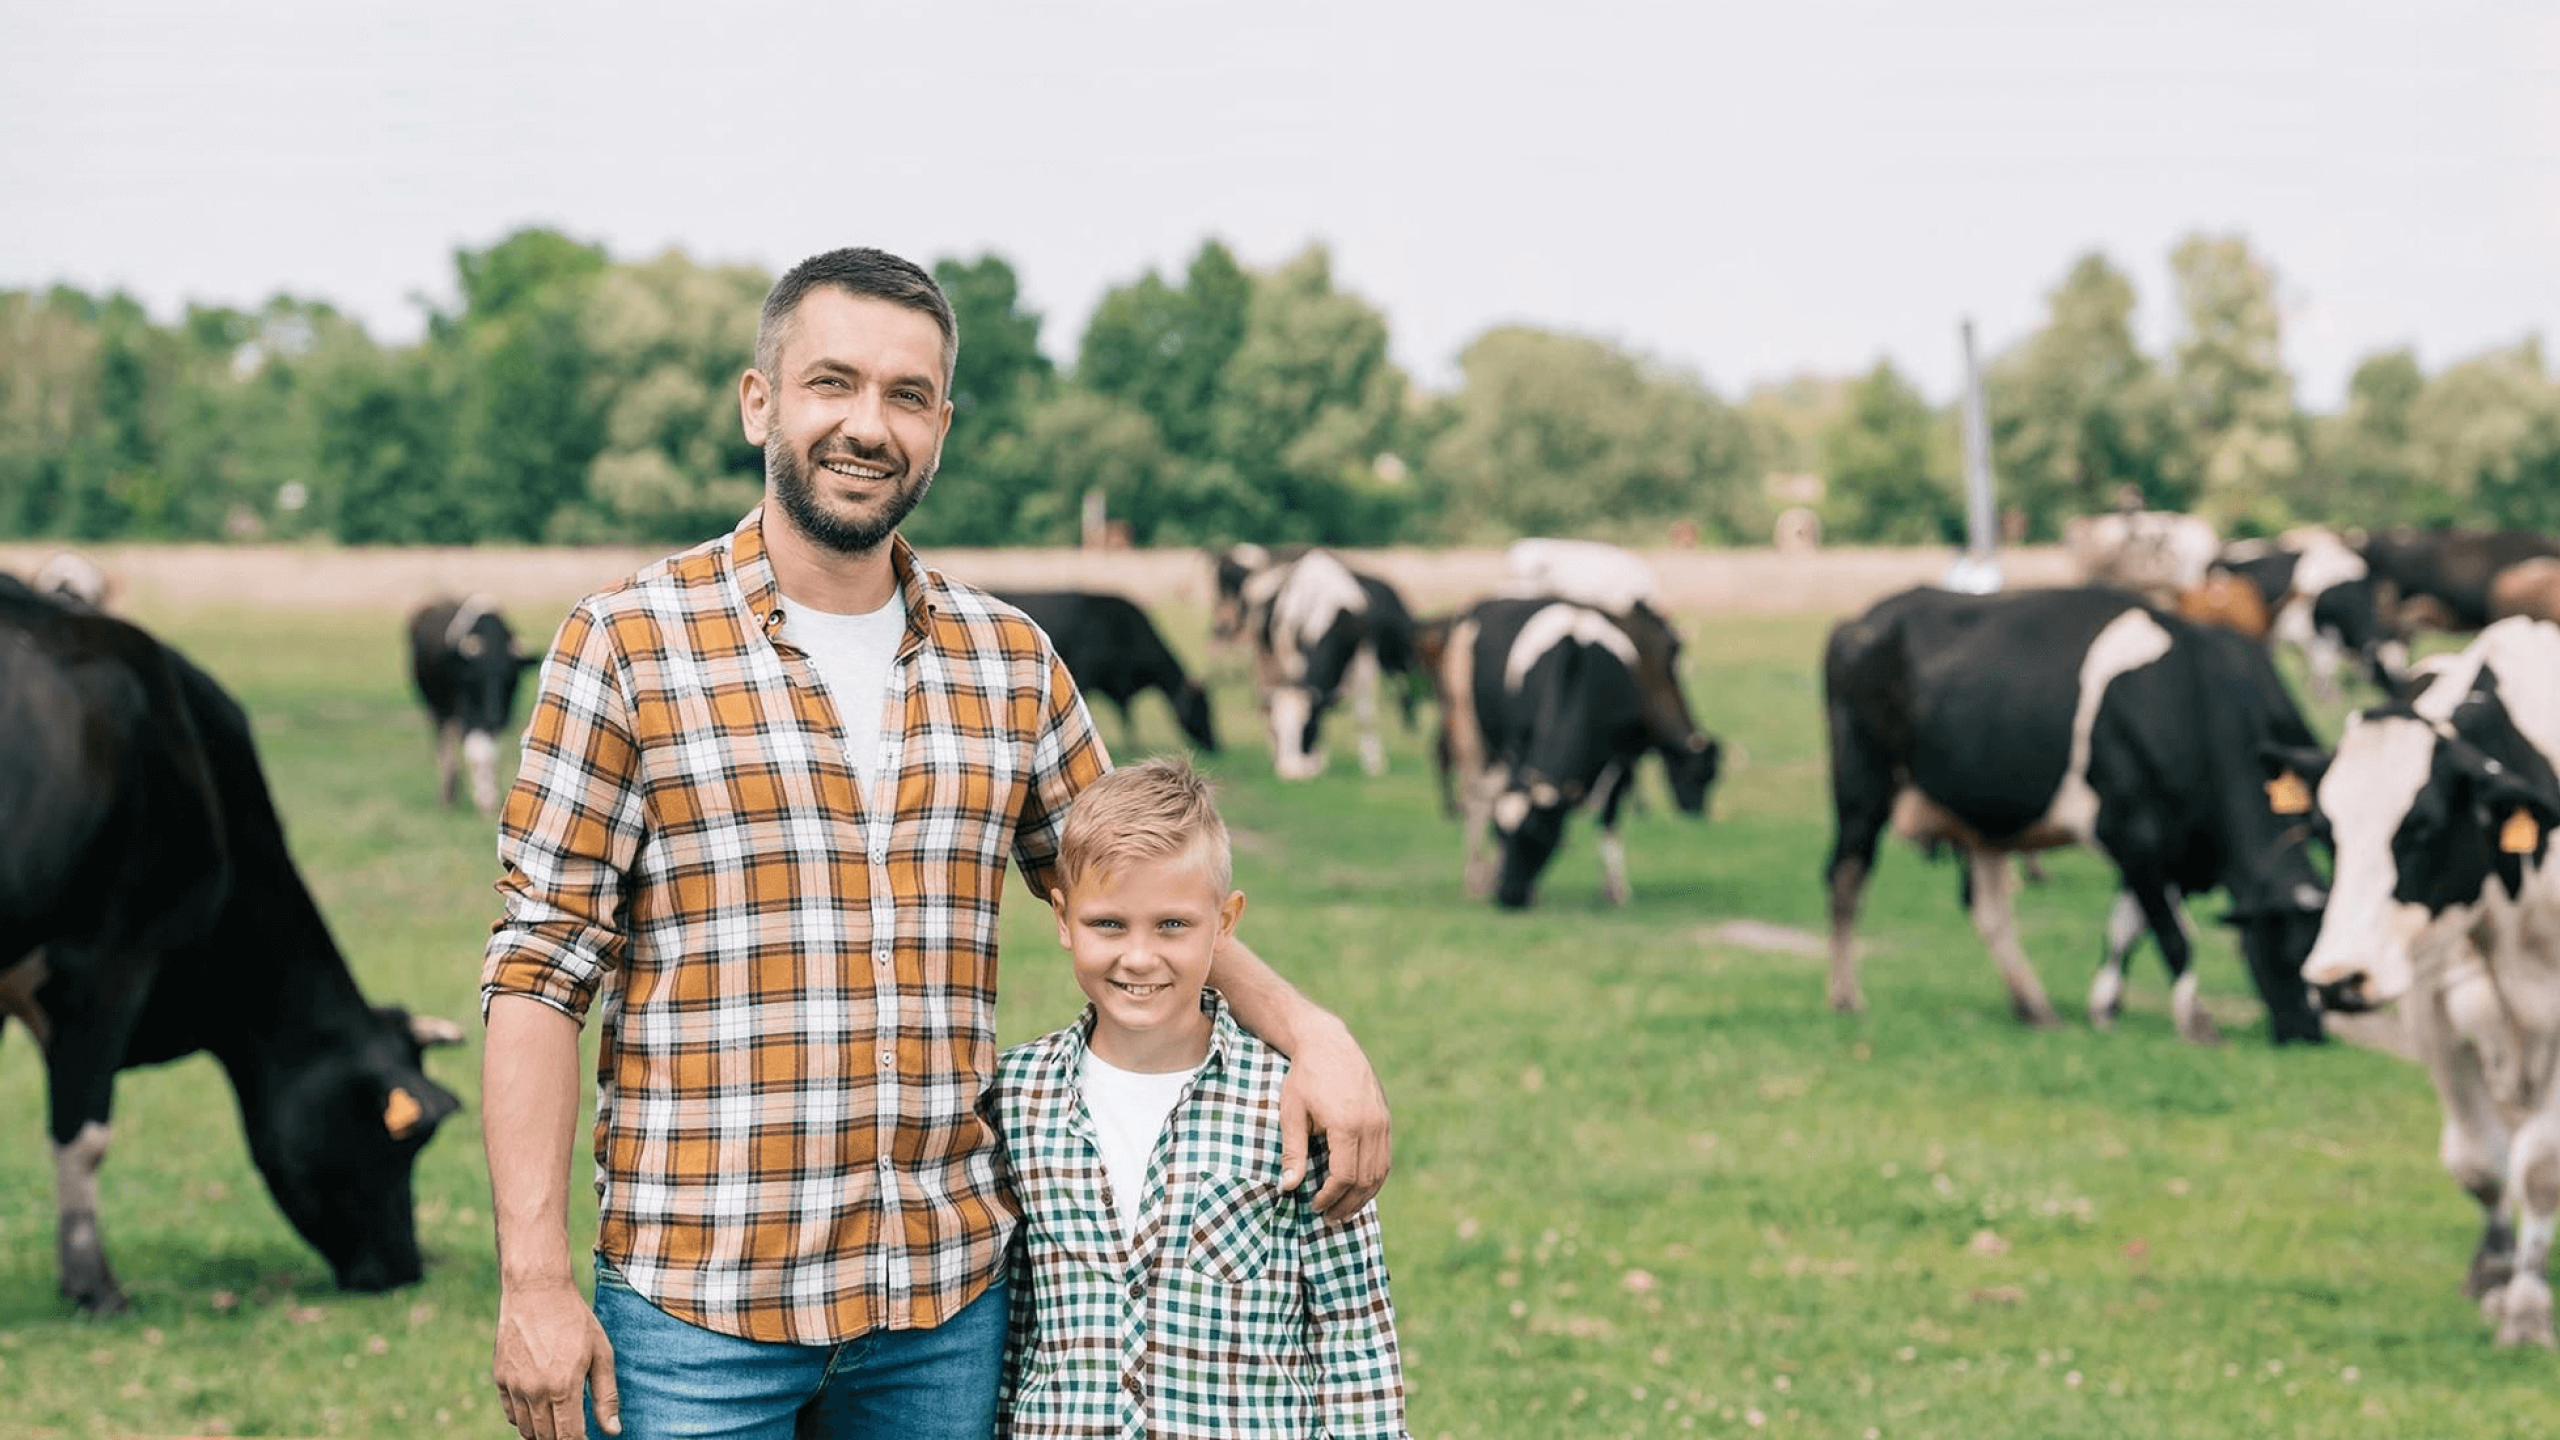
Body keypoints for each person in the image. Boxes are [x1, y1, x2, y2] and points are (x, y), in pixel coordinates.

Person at [479, 247, 1392, 1440]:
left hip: (940, 1317)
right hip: (694, 1316)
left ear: (941, 428)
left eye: (907, 396)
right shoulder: (625, 645)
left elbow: (1141, 889)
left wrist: (1311, 1033)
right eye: (832, 383)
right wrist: (534, 1280)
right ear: (759, 402)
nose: (869, 425)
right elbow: (540, 971)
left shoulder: (1006, 660)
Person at [988, 757, 1405, 1439]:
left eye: (1173, 926)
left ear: (1225, 921)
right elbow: (1015, 1329)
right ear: (1063, 918)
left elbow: (1351, 1325)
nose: (1139, 956)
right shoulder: (1017, 1096)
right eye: (1108, 924)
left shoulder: (1290, 1100)